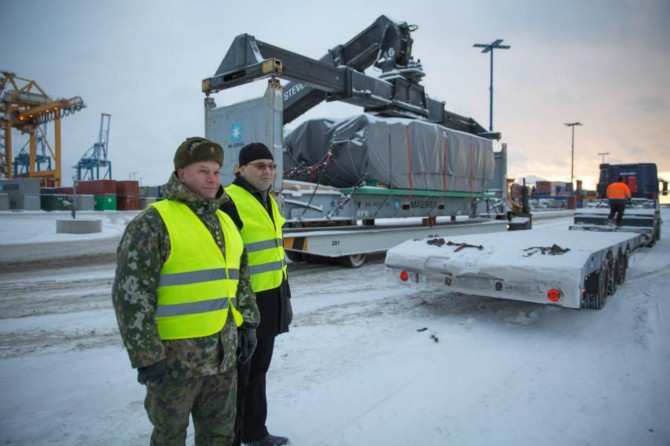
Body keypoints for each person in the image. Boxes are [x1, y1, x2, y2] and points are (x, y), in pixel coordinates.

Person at [112, 136, 260, 445]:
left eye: (217, 172)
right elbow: (131, 297)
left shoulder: (225, 221)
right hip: (175, 363)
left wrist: (248, 323)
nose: (212, 179)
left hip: (223, 355)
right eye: (202, 171)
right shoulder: (153, 223)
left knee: (220, 434)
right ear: (182, 174)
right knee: (169, 436)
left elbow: (241, 279)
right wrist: (146, 355)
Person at [220, 142, 292, 446]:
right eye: (260, 166)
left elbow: (274, 252)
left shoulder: (268, 200)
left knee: (259, 371)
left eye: (272, 166)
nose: (268, 172)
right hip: (243, 307)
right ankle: (232, 439)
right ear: (242, 169)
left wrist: (284, 298)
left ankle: (255, 432)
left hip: (271, 299)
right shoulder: (229, 201)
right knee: (238, 379)